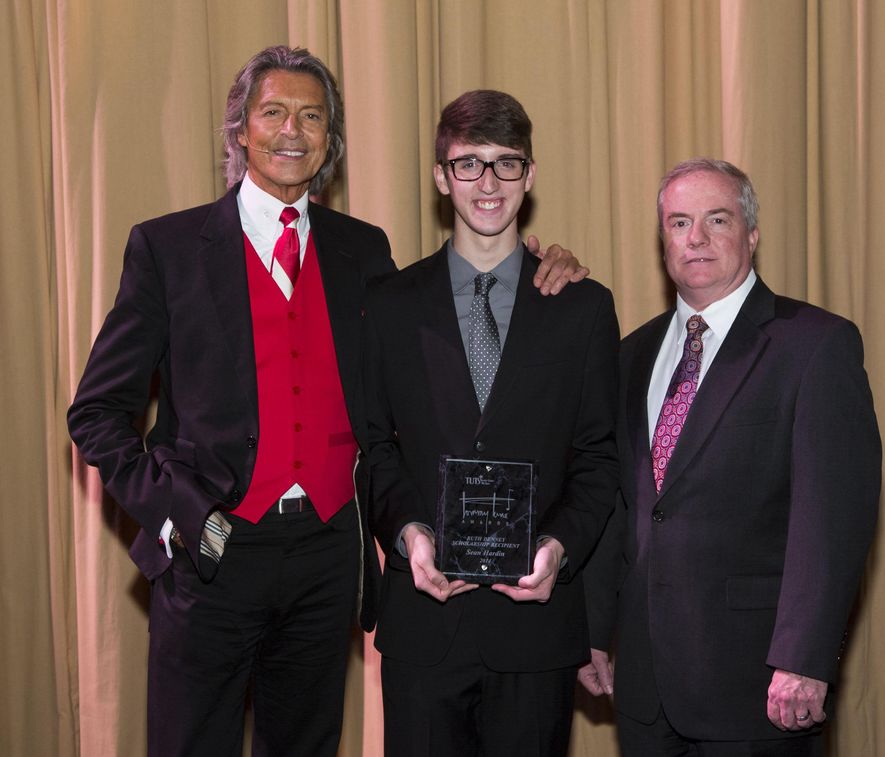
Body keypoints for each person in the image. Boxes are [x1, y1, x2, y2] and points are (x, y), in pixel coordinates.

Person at [67, 47, 584, 757]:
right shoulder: (168, 248)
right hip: (213, 554)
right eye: (273, 111)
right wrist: (184, 511)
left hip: (326, 560)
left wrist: (539, 266)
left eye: (312, 116)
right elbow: (94, 414)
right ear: (240, 130)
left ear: (330, 140)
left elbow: (441, 341)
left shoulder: (364, 252)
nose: (292, 130)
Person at [579, 158, 881, 756]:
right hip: (644, 685)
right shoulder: (631, 354)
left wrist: (804, 658)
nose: (695, 238)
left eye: (716, 219)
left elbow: (833, 519)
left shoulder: (816, 345)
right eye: (678, 222)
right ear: (662, 238)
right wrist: (592, 631)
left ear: (751, 233)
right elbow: (621, 504)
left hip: (760, 686)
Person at [363, 89, 620, 757]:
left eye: (506, 163)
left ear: (530, 176)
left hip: (535, 629)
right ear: (441, 175)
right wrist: (409, 532)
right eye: (469, 163)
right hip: (424, 624)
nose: (488, 182)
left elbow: (599, 459)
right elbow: (373, 449)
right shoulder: (391, 305)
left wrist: (559, 548)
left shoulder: (584, 308)